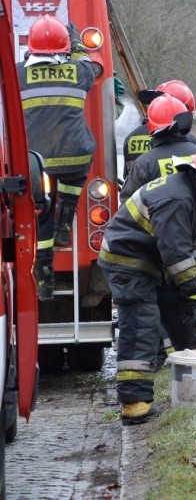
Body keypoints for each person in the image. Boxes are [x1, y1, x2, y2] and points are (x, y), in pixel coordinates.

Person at [98, 142, 196, 425]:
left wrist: (194, 298)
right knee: (143, 323)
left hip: (154, 260)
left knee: (184, 313)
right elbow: (177, 257)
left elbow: (187, 250)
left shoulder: (195, 193)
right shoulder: (178, 199)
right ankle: (134, 403)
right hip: (128, 262)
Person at [120, 85, 196, 352]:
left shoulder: (137, 147)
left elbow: (128, 203)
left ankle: (168, 353)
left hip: (155, 248)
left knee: (163, 301)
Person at [17, 16, 98, 301]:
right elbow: (94, 65)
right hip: (75, 159)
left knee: (42, 215)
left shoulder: (18, 73)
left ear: (31, 48)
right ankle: (67, 219)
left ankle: (44, 279)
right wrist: (76, 46)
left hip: (37, 164)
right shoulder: (79, 71)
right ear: (64, 48)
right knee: (77, 170)